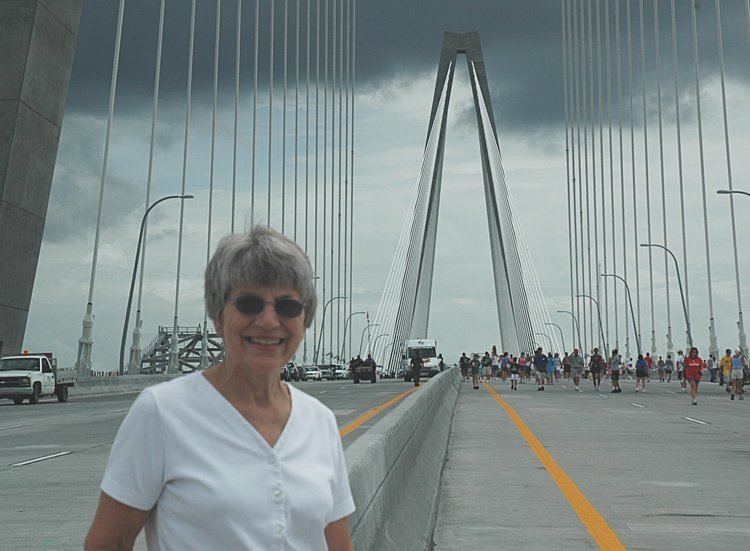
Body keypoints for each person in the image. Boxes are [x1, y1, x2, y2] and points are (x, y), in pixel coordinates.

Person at [85, 226, 354, 551]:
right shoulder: (162, 412)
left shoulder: (320, 422)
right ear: (217, 315)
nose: (269, 321)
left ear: (305, 318)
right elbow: (108, 543)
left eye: (287, 307)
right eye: (249, 304)